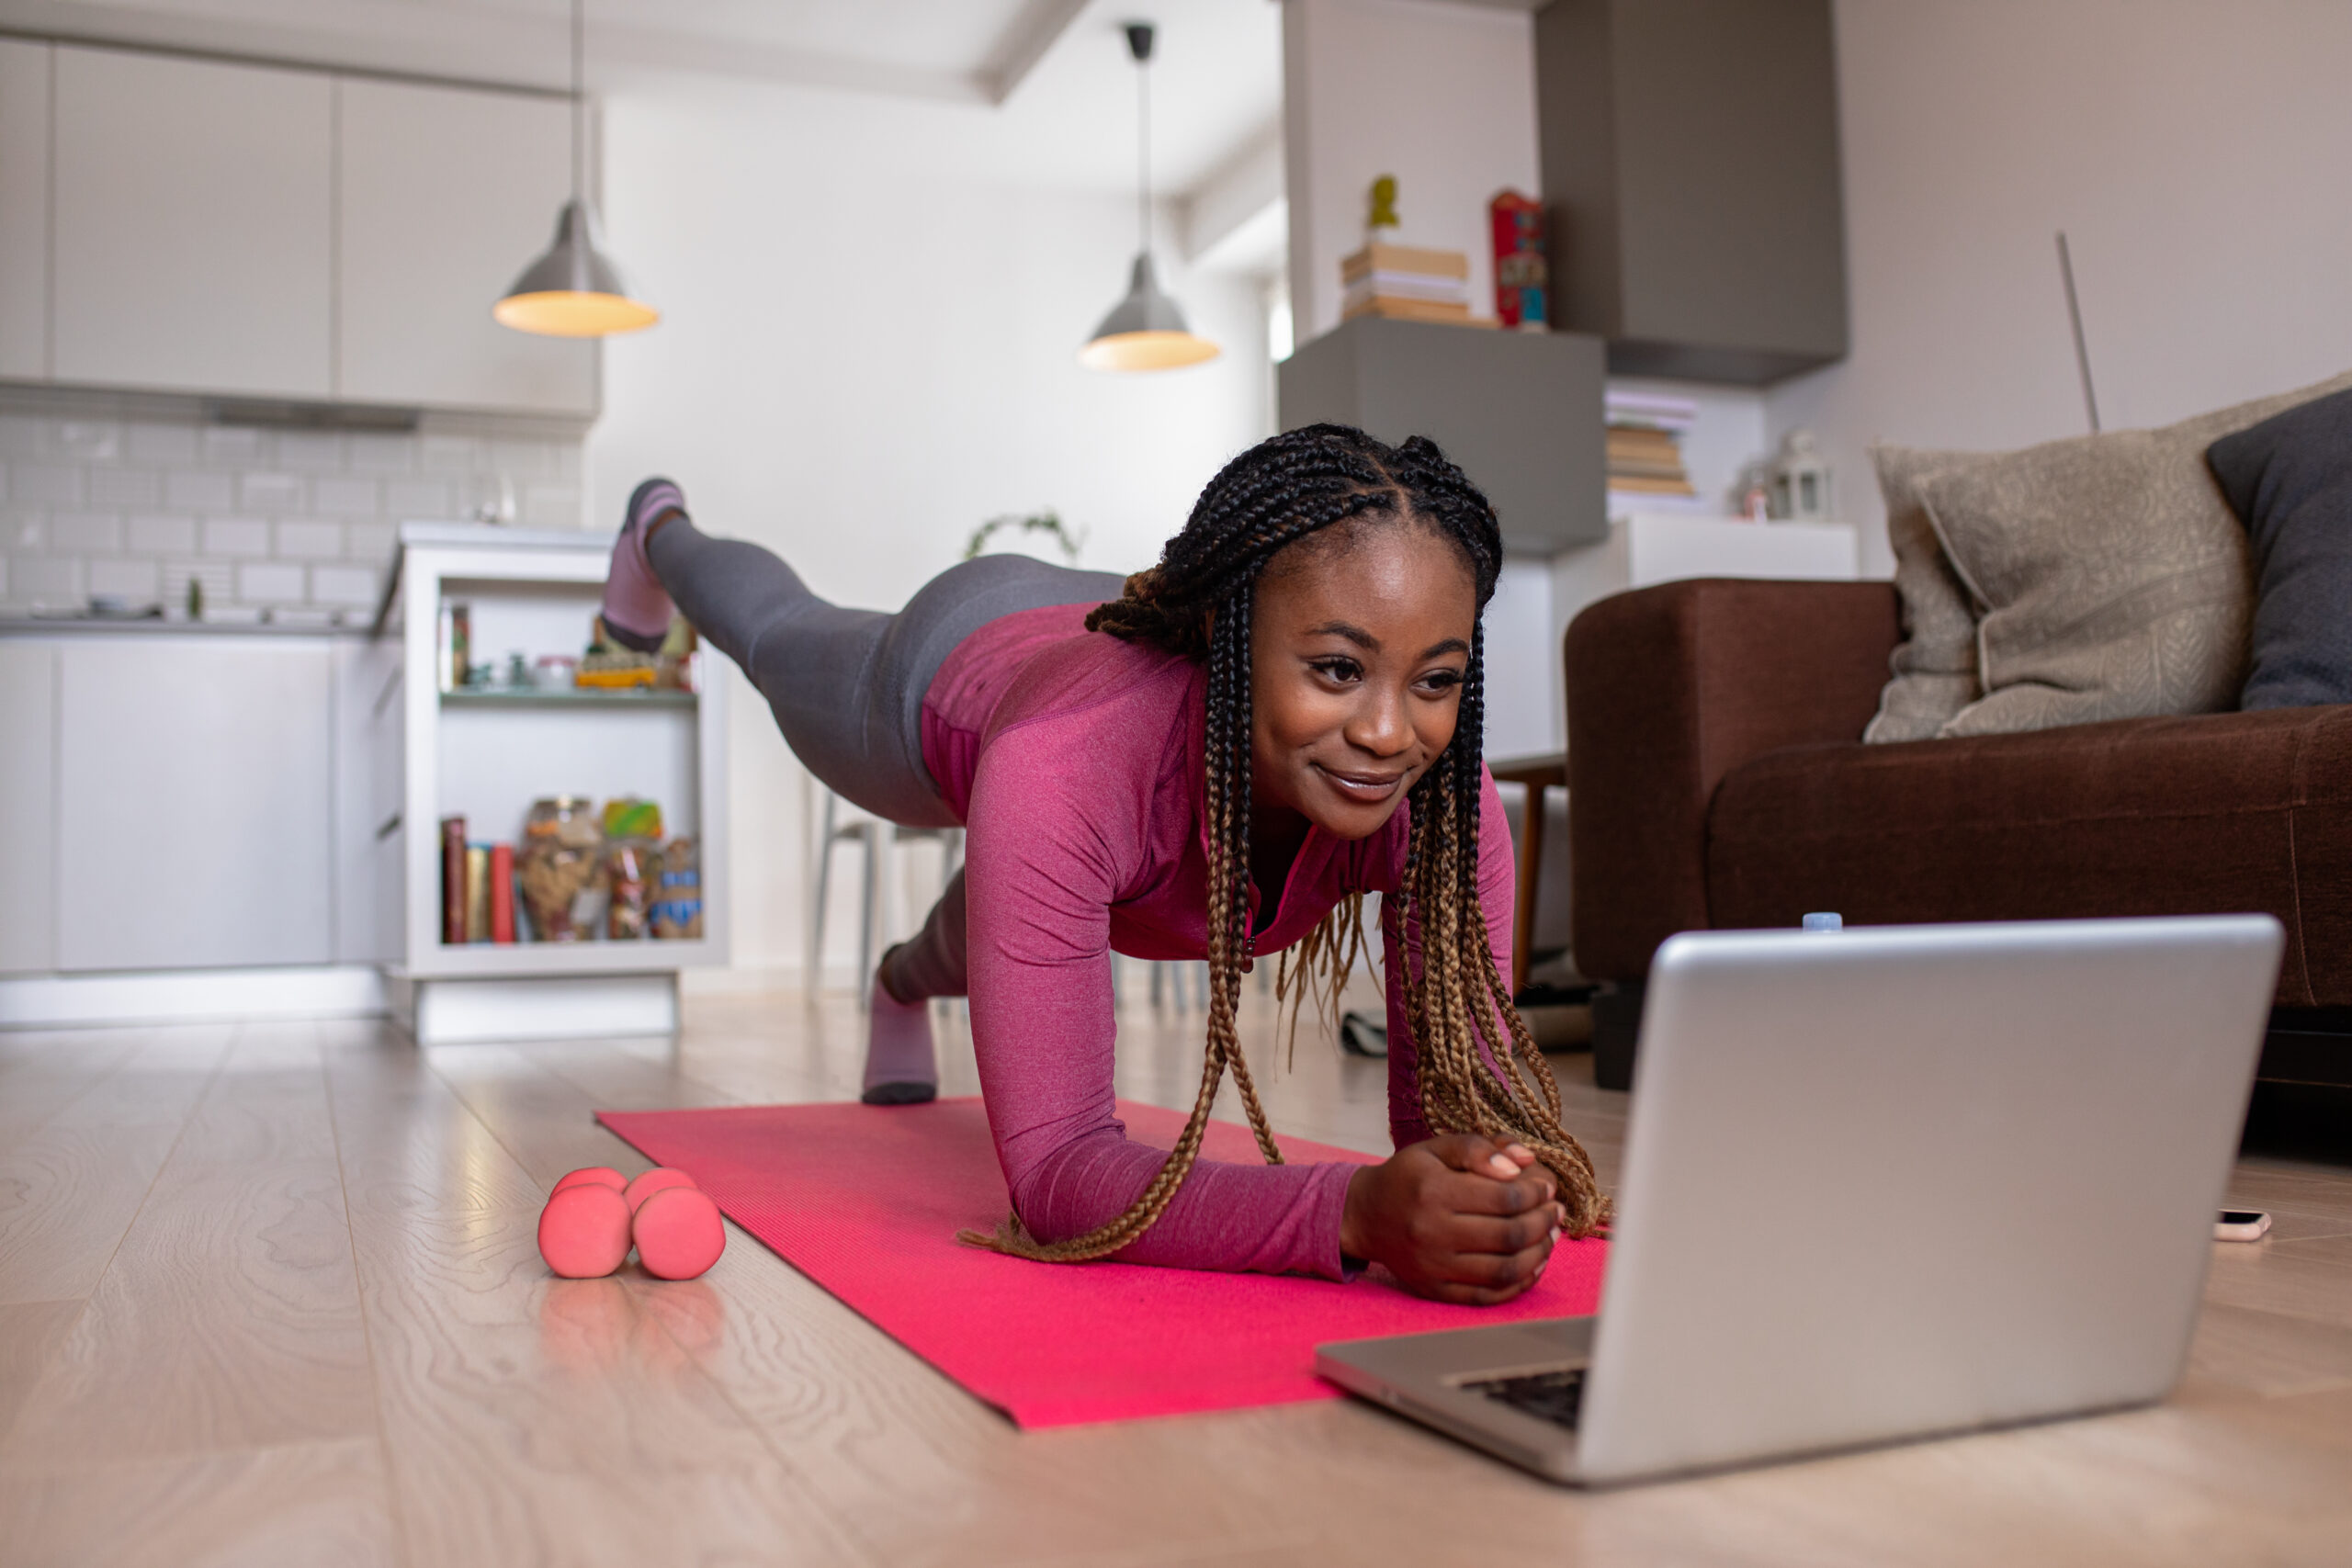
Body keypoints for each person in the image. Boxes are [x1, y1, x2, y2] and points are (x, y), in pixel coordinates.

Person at [599, 426, 1607, 1303]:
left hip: (1090, 760)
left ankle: (899, 980)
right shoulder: (1063, 767)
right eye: (1338, 670)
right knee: (780, 640)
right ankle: (657, 531)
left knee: (1038, 879)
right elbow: (1057, 1182)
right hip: (956, 665)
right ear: (1226, 631)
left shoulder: (1448, 810)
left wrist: (1488, 1186)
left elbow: (1456, 1119)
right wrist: (1349, 1213)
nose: (1390, 733)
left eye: (1434, 680)